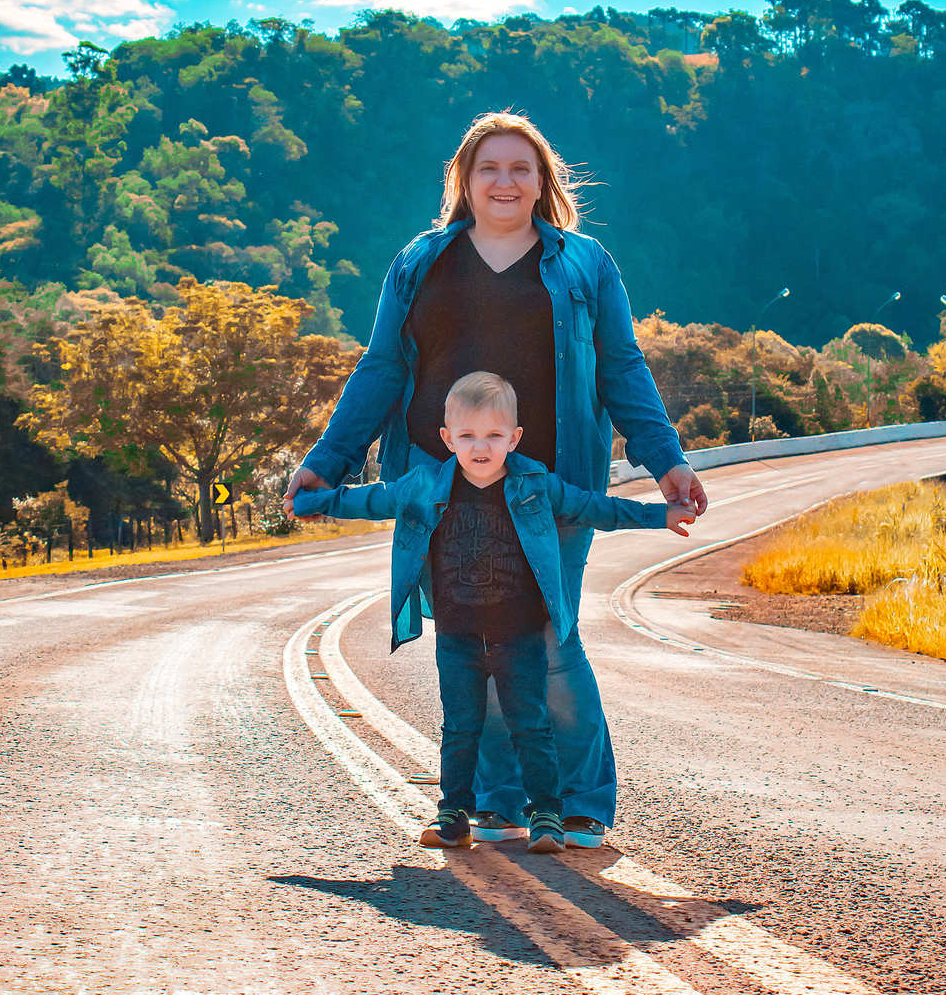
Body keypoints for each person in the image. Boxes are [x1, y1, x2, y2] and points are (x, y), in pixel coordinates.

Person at [285, 109, 707, 847]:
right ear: (464, 181)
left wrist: (665, 459)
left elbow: (621, 368)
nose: (505, 181)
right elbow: (382, 367)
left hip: (550, 489)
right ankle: (504, 802)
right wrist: (329, 459)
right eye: (489, 168)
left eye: (521, 168)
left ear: (543, 181)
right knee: (478, 646)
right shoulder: (421, 262)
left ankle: (580, 802)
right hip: (443, 492)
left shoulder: (583, 265)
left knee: (547, 645)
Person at [290, 372, 696, 852]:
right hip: (457, 634)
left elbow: (598, 510)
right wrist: (311, 499)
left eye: (492, 436)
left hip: (519, 632)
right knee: (460, 727)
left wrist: (660, 515)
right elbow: (366, 499)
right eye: (466, 436)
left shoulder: (537, 486)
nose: (479, 447)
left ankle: (546, 815)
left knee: (530, 722)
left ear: (514, 438)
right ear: (446, 438)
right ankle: (453, 815)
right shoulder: (422, 485)